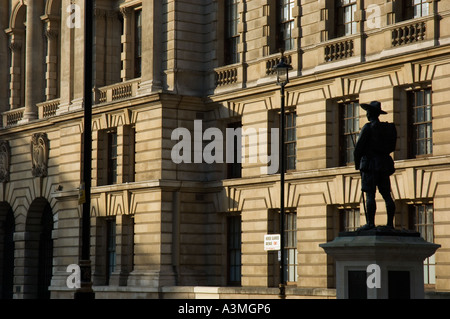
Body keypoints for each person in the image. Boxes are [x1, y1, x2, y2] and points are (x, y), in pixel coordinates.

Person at [354, 101, 396, 231]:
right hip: (383, 165)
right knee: (387, 195)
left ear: (370, 113)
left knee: (370, 195)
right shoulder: (387, 128)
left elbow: (358, 149)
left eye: (367, 111)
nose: (366, 114)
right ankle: (390, 224)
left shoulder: (368, 127)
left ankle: (370, 223)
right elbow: (392, 146)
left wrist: (357, 166)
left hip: (370, 165)